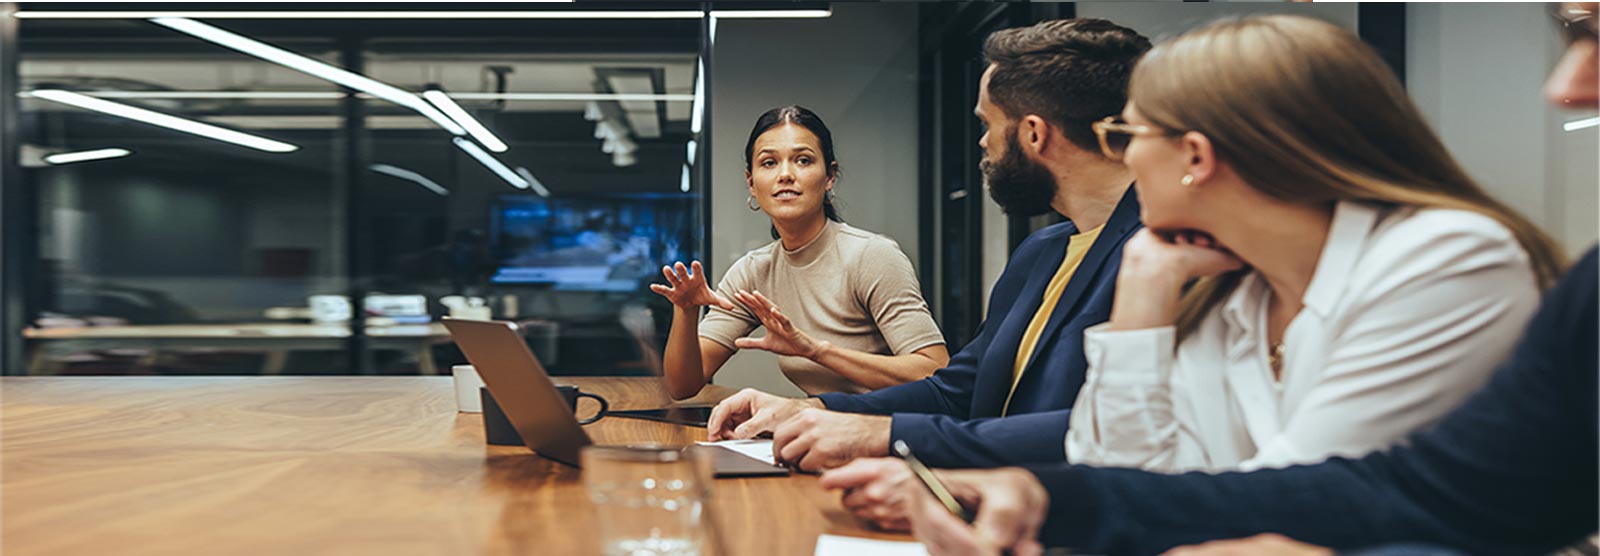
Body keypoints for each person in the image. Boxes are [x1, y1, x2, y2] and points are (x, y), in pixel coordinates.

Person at [852, 5, 1597, 555]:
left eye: (1127, 136)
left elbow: (1301, 504)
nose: (1122, 159)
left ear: (1196, 158)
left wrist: (1061, 502)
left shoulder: (1448, 259)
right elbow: (1130, 473)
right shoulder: (1224, 285)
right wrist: (1143, 293)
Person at [701, 19, 1153, 475]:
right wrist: (810, 409)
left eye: (987, 124)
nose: (983, 143)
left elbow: (1114, 432)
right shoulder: (1041, 252)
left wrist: (884, 435)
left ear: (1034, 134)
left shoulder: (1163, 259)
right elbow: (957, 390)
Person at [653, 105, 949, 399]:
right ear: (751, 182)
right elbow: (682, 386)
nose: (785, 174)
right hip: (821, 432)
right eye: (769, 163)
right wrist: (686, 312)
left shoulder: (872, 256)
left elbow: (933, 374)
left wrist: (815, 350)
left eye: (803, 160)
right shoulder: (754, 272)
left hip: (891, 434)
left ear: (830, 176)